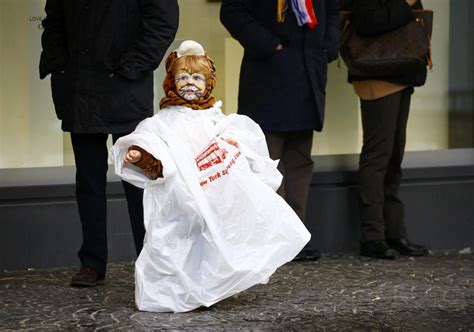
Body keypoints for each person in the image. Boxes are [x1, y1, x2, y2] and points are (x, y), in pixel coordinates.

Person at [110, 40, 311, 312]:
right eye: (182, 78)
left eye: (196, 78)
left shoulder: (214, 118)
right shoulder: (161, 123)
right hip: (178, 198)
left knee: (211, 242)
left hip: (213, 193)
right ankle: (177, 291)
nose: (189, 84)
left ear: (208, 82)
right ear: (171, 81)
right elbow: (156, 156)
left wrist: (236, 145)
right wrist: (142, 157)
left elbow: (239, 136)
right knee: (176, 242)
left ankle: (207, 288)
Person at [39, 0, 179, 286]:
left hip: (125, 89)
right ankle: (91, 264)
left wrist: (130, 66)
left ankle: (150, 262)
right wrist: (59, 61)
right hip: (81, 89)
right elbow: (54, 20)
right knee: (88, 182)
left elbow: (162, 23)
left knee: (139, 182)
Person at [220, 0, 340, 260]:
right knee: (267, 163)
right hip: (269, 76)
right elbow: (231, 12)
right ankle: (273, 239)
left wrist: (328, 47)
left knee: (299, 160)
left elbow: (332, 10)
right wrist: (269, 45)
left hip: (308, 71)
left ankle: (294, 236)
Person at [346, 0, 429, 259]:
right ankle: (373, 237)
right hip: (377, 71)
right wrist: (405, 5)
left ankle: (394, 232)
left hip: (401, 70)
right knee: (378, 155)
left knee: (394, 156)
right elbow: (366, 22)